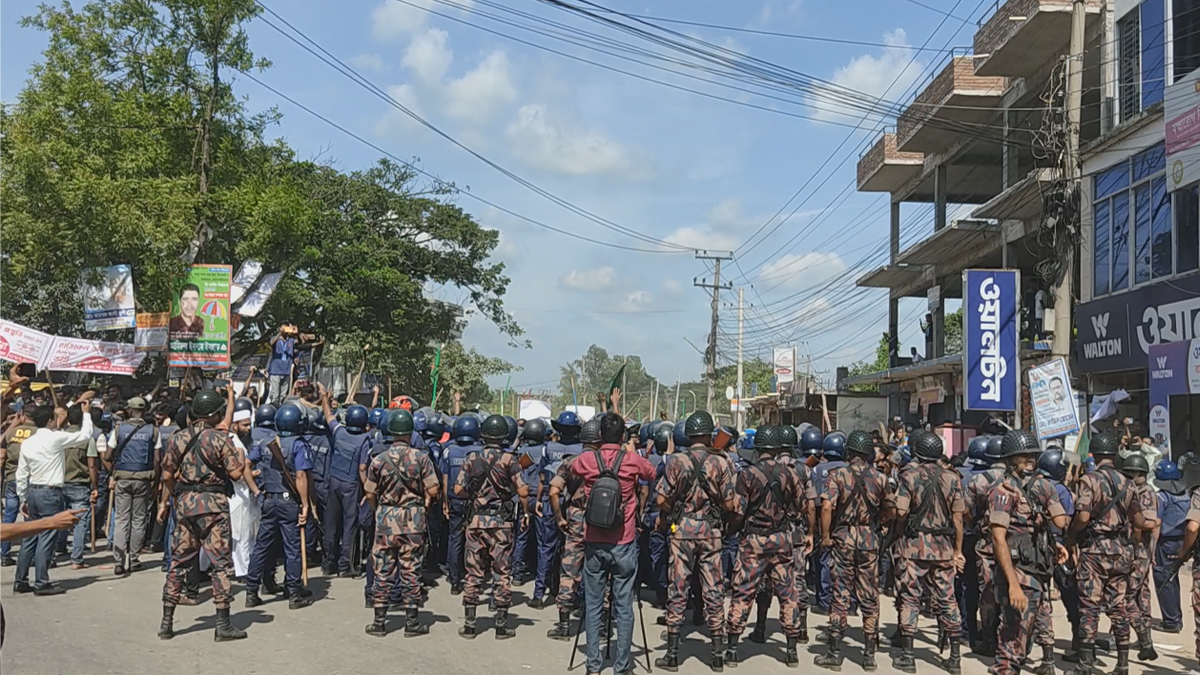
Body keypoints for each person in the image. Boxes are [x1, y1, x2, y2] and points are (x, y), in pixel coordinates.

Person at [558, 409, 654, 675]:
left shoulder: (588, 459)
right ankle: (622, 667)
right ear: (623, 435)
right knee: (624, 606)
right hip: (624, 541)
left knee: (593, 603)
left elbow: (570, 468)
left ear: (599, 435)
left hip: (594, 540)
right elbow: (652, 473)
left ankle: (593, 665)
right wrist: (632, 452)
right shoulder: (632, 460)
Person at [156, 389, 247, 641]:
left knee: (178, 563)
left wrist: (178, 496)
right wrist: (239, 457)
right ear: (216, 413)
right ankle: (223, 624)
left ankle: (167, 622)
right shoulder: (220, 440)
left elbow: (166, 476)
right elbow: (237, 474)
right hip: (214, 507)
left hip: (185, 507)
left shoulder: (176, 438)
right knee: (220, 565)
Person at [1066, 432, 1157, 675]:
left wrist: (1072, 537)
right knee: (1119, 606)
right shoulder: (1128, 482)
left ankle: (1085, 664)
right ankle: (1123, 664)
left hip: (1095, 551)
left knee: (1089, 606)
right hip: (1122, 552)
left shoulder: (1089, 480)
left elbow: (1083, 517)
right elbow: (1138, 520)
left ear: (1093, 454)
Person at [654, 410, 737, 672]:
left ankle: (672, 654)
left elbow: (661, 499)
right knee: (714, 589)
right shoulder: (722, 462)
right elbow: (729, 503)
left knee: (678, 588)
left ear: (688, 435)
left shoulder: (676, 461)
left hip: (682, 530)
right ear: (708, 434)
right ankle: (716, 654)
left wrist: (670, 513)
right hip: (711, 531)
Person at [985, 430, 1070, 675]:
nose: (1030, 459)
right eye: (1023, 455)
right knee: (1012, 642)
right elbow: (998, 538)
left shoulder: (1043, 486)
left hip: (1038, 569)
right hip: (1017, 572)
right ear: (1010, 459)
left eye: (1032, 455)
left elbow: (1060, 522)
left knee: (1024, 641)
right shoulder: (1002, 490)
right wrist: (1013, 585)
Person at [724, 425, 807, 667]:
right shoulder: (790, 473)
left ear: (758, 448)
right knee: (788, 592)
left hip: (754, 541)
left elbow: (738, 511)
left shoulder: (747, 475)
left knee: (743, 591)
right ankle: (791, 650)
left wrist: (732, 530)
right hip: (781, 539)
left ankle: (731, 648)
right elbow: (801, 505)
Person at [888, 430, 965, 675]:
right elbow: (959, 519)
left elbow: (900, 512)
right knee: (947, 599)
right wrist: (957, 551)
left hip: (914, 545)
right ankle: (955, 658)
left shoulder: (908, 476)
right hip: (943, 547)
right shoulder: (953, 478)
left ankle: (908, 656)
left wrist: (898, 537)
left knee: (910, 597)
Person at [814, 429, 891, 672]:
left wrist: (825, 537)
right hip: (869, 540)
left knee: (840, 593)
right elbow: (892, 509)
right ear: (869, 453)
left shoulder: (838, 475)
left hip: (843, 539)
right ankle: (869, 655)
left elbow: (826, 507)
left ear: (849, 452)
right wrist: (879, 525)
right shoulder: (880, 478)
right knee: (869, 595)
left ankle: (835, 653)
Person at [363, 408, 439, 637]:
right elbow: (434, 489)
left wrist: (380, 510)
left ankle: (379, 621)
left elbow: (369, 492)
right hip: (413, 520)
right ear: (410, 431)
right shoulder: (421, 457)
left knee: (383, 569)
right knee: (411, 569)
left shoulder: (378, 460)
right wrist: (423, 505)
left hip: (386, 519)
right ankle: (412, 622)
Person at [454, 414, 531, 639]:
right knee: (502, 571)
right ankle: (500, 625)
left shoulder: (471, 458)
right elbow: (524, 491)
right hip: (501, 524)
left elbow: (458, 490)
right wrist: (524, 511)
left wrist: (476, 498)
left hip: (476, 521)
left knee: (474, 572)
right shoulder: (509, 460)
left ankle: (469, 624)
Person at [13, 391, 96, 595]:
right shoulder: (55, 438)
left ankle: (21, 579)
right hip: (50, 492)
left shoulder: (29, 442)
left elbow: (21, 473)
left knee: (30, 536)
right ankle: (41, 582)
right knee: (48, 536)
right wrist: (86, 414)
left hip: (33, 491)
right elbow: (85, 436)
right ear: (50, 421)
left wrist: (23, 496)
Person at [243, 403, 313, 611]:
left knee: (262, 546)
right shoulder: (299, 445)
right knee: (292, 548)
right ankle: (293, 592)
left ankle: (251, 590)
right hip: (288, 501)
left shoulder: (266, 442)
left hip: (268, 499)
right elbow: (301, 475)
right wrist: (306, 504)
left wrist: (256, 490)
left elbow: (246, 465)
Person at [545, 416, 602, 640]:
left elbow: (553, 492)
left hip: (576, 519)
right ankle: (601, 624)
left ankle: (563, 624)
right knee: (601, 571)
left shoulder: (570, 463)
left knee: (569, 570)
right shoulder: (608, 463)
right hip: (602, 522)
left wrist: (560, 518)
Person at [530, 411, 584, 609]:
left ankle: (538, 595)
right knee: (577, 552)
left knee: (546, 549)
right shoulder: (583, 450)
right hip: (573, 506)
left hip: (550, 502)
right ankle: (576, 596)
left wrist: (538, 500)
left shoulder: (547, 449)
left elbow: (543, 479)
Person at [103, 396, 160, 575]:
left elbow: (107, 455)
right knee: (138, 520)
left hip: (123, 478)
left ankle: (119, 562)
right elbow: (157, 460)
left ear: (129, 410)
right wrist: (154, 482)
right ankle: (134, 560)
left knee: (121, 519)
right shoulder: (153, 431)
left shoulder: (119, 430)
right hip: (143, 479)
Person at [965, 434, 1007, 656]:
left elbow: (963, 510)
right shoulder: (1021, 480)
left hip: (987, 543)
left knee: (988, 592)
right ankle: (1012, 639)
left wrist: (975, 525)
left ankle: (990, 641)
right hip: (1015, 544)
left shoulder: (978, 481)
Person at [322, 394, 370, 577]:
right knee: (349, 525)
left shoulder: (340, 432)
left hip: (334, 481)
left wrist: (324, 400)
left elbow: (328, 417)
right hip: (351, 486)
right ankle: (344, 566)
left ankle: (328, 564)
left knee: (331, 524)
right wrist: (367, 490)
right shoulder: (365, 439)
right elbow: (362, 468)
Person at [1118, 454, 1158, 662]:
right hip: (1141, 551)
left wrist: (1136, 547)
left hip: (1139, 551)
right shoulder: (1137, 490)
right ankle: (1146, 639)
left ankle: (1145, 640)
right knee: (1141, 595)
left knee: (1126, 596)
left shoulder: (1146, 493)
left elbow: (1148, 524)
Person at [441, 415, 481, 595]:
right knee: (476, 541)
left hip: (455, 500)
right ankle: (474, 578)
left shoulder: (450, 450)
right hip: (475, 502)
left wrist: (445, 502)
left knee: (455, 539)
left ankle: (455, 581)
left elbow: (445, 479)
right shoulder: (481, 451)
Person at [59, 404, 99, 569]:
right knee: (80, 522)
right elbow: (92, 465)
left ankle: (58, 550)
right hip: (80, 483)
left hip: (60, 482)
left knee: (59, 519)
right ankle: (77, 559)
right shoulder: (86, 439)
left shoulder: (59, 437)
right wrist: (95, 486)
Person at [1152, 460, 1188, 634]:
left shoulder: (1161, 497)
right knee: (1173, 579)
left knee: (1164, 580)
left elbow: (1157, 524)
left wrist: (1151, 546)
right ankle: (1175, 617)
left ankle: (1172, 621)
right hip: (1183, 541)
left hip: (1165, 543)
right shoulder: (1185, 494)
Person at [512, 417, 547, 587]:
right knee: (542, 541)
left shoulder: (521, 452)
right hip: (539, 499)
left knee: (522, 537)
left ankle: (517, 575)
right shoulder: (545, 451)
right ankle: (540, 573)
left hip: (523, 498)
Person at [1, 412, 37, 566]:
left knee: (9, 514)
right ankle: (30, 554)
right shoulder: (38, 432)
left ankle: (4, 553)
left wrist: (12, 424)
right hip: (30, 477)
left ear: (22, 415)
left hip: (11, 477)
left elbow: (2, 452)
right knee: (30, 517)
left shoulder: (11, 432)